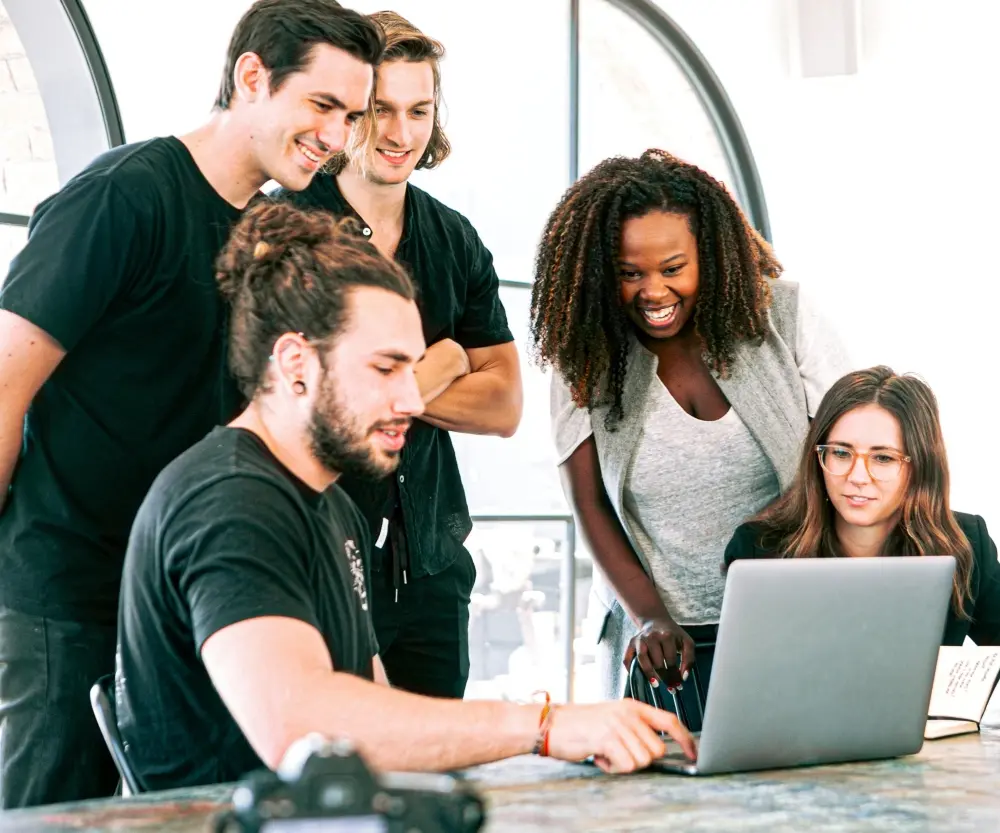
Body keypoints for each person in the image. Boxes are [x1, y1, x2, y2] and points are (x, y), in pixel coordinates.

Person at [114, 201, 695, 792]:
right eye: (385, 369)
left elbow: (379, 714)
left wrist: (556, 747)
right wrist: (544, 727)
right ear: (295, 362)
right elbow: (304, 728)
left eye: (412, 369)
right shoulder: (230, 501)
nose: (414, 402)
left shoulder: (331, 505)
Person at [0, 0, 383, 808]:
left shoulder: (280, 229)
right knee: (50, 814)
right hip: (68, 588)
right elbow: (4, 382)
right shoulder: (121, 198)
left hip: (188, 595)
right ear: (251, 77)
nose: (339, 136)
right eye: (322, 105)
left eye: (352, 115)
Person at [529, 149, 852, 718]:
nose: (653, 292)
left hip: (788, 614)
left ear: (711, 255)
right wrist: (651, 616)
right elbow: (589, 504)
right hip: (659, 641)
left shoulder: (784, 316)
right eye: (630, 273)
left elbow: (842, 461)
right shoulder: (584, 352)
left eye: (673, 268)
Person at [279, 12, 522, 699]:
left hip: (433, 566)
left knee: (432, 784)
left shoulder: (454, 238)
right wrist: (444, 361)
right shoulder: (287, 227)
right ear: (349, 110)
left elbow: (505, 404)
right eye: (380, 109)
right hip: (317, 557)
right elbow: (297, 401)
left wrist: (380, 385)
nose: (399, 132)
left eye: (419, 110)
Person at [724, 366, 1000, 644]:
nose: (856, 477)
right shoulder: (757, 550)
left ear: (919, 466)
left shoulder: (967, 543)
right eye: (841, 453)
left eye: (883, 458)